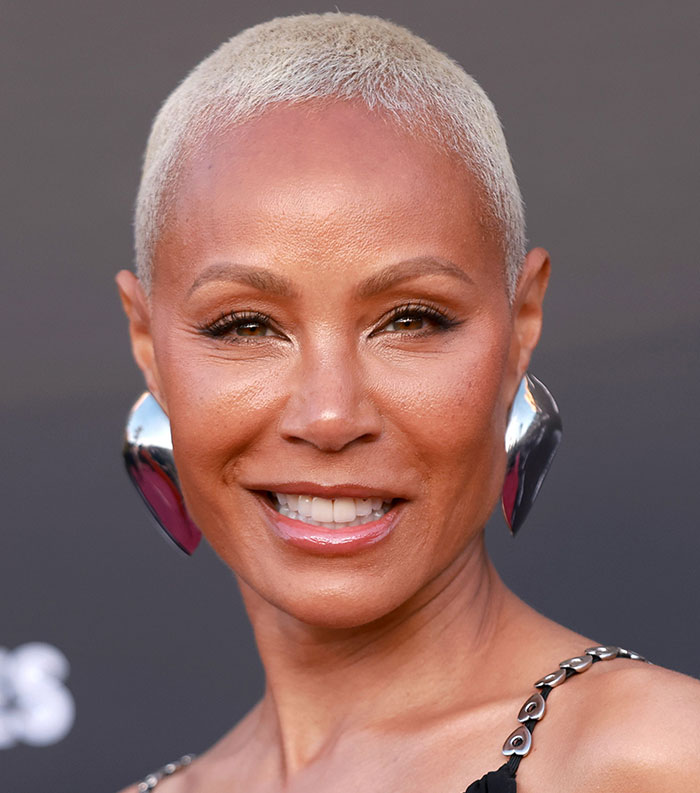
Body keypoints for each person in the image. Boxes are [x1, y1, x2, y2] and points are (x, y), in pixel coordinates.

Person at [116, 13, 700, 792]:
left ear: (521, 320)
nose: (329, 416)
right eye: (246, 325)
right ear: (147, 342)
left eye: (411, 320)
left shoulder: (656, 759)